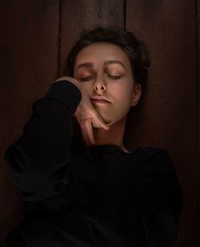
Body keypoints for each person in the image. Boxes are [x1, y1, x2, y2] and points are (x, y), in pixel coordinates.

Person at [5, 27, 183, 247]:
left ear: (135, 94)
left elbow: (137, 235)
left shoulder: (151, 165)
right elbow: (34, 173)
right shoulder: (57, 157)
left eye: (114, 74)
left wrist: (32, 235)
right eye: (84, 77)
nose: (98, 85)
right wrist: (65, 88)